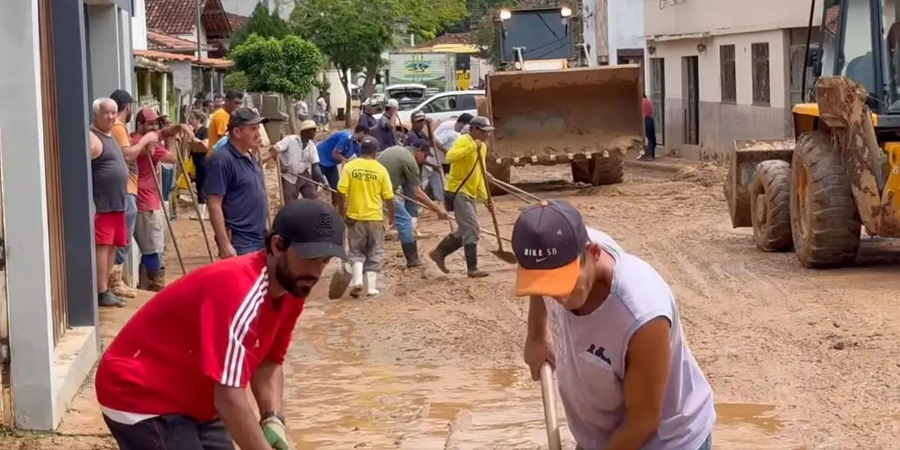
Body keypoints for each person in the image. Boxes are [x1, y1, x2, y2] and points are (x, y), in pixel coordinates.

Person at [95, 199, 347, 450]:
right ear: (278, 246)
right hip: (139, 392)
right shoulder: (239, 291)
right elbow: (228, 397)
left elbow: (269, 362)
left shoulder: (293, 290)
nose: (316, 271)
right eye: (309, 258)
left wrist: (273, 418)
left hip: (198, 396)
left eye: (324, 261)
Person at [513, 200, 715, 450]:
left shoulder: (642, 316)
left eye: (564, 285)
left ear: (594, 254)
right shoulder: (556, 249)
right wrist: (536, 335)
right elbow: (539, 280)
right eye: (547, 287)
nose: (559, 299)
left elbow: (643, 421)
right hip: (600, 436)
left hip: (664, 441)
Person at [90, 98, 147, 308]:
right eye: (106, 113)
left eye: (114, 113)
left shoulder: (109, 135)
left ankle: (106, 289)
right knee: (103, 247)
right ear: (96, 114)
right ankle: (101, 291)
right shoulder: (92, 137)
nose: (111, 117)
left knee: (113, 246)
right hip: (103, 205)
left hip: (117, 204)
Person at [131, 108, 191, 290]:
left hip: (146, 199)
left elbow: (162, 132)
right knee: (153, 247)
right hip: (146, 201)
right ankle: (154, 286)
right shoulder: (145, 143)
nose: (154, 127)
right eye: (150, 123)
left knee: (153, 245)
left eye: (156, 123)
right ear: (140, 124)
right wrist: (172, 140)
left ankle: (146, 284)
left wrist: (176, 128)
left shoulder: (138, 137)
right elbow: (172, 159)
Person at [428, 116, 494, 278]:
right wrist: (473, 146)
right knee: (472, 228)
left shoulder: (483, 147)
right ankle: (472, 268)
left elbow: (479, 174)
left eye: (488, 132)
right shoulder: (464, 141)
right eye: (484, 132)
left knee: (465, 229)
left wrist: (486, 198)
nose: (487, 135)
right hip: (458, 192)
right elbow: (450, 157)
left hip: (470, 193)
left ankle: (439, 253)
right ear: (474, 130)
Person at [108, 89, 156, 300]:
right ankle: (115, 280)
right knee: (123, 237)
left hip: (128, 188)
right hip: (127, 188)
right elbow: (128, 155)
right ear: (127, 107)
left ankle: (115, 280)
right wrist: (145, 141)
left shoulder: (117, 128)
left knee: (122, 237)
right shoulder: (118, 127)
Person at [206, 107, 271, 258]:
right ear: (237, 132)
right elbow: (214, 204)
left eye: (258, 128)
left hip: (260, 236)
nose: (258, 133)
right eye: (253, 128)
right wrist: (224, 244)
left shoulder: (250, 156)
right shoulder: (221, 160)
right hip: (241, 241)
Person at [336, 136, 395, 297]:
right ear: (376, 152)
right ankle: (371, 288)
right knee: (375, 252)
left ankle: (357, 281)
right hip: (375, 218)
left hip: (355, 217)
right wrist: (392, 216)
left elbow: (341, 191)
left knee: (356, 251)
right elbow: (389, 197)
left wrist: (343, 211)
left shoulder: (350, 167)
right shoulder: (380, 170)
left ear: (361, 150)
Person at [377, 141, 449, 268]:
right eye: (425, 156)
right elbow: (417, 193)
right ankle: (412, 259)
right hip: (381, 193)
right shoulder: (410, 161)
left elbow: (408, 188)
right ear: (418, 151)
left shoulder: (395, 149)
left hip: (371, 189)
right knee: (405, 220)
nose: (424, 160)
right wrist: (438, 209)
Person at [270, 119, 325, 201]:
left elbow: (315, 166)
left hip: (303, 174)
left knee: (314, 199)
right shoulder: (290, 140)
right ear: (306, 131)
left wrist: (323, 182)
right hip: (289, 176)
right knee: (290, 203)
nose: (315, 133)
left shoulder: (312, 146)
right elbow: (273, 150)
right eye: (313, 131)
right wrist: (281, 165)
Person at [317, 125, 367, 200]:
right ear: (362, 133)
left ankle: (335, 207)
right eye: (365, 136)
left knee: (336, 187)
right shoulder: (346, 138)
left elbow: (361, 157)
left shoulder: (356, 143)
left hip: (331, 164)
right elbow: (335, 153)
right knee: (313, 184)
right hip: (321, 159)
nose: (365, 139)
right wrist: (346, 162)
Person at [189, 109, 211, 219]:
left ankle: (201, 213)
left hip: (203, 161)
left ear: (198, 119)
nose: (190, 121)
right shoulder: (195, 131)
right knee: (199, 185)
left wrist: (195, 139)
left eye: (192, 118)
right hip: (197, 161)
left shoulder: (204, 130)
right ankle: (202, 211)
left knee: (202, 185)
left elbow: (206, 145)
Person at [209, 90, 244, 156]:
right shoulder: (221, 116)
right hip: (218, 157)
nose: (238, 106)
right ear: (227, 101)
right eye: (236, 103)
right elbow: (225, 140)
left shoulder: (228, 115)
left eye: (240, 103)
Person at [641, 95, 657, 161]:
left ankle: (647, 155)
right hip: (649, 119)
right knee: (651, 137)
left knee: (646, 138)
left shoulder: (641, 102)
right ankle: (651, 154)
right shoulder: (648, 101)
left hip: (644, 119)